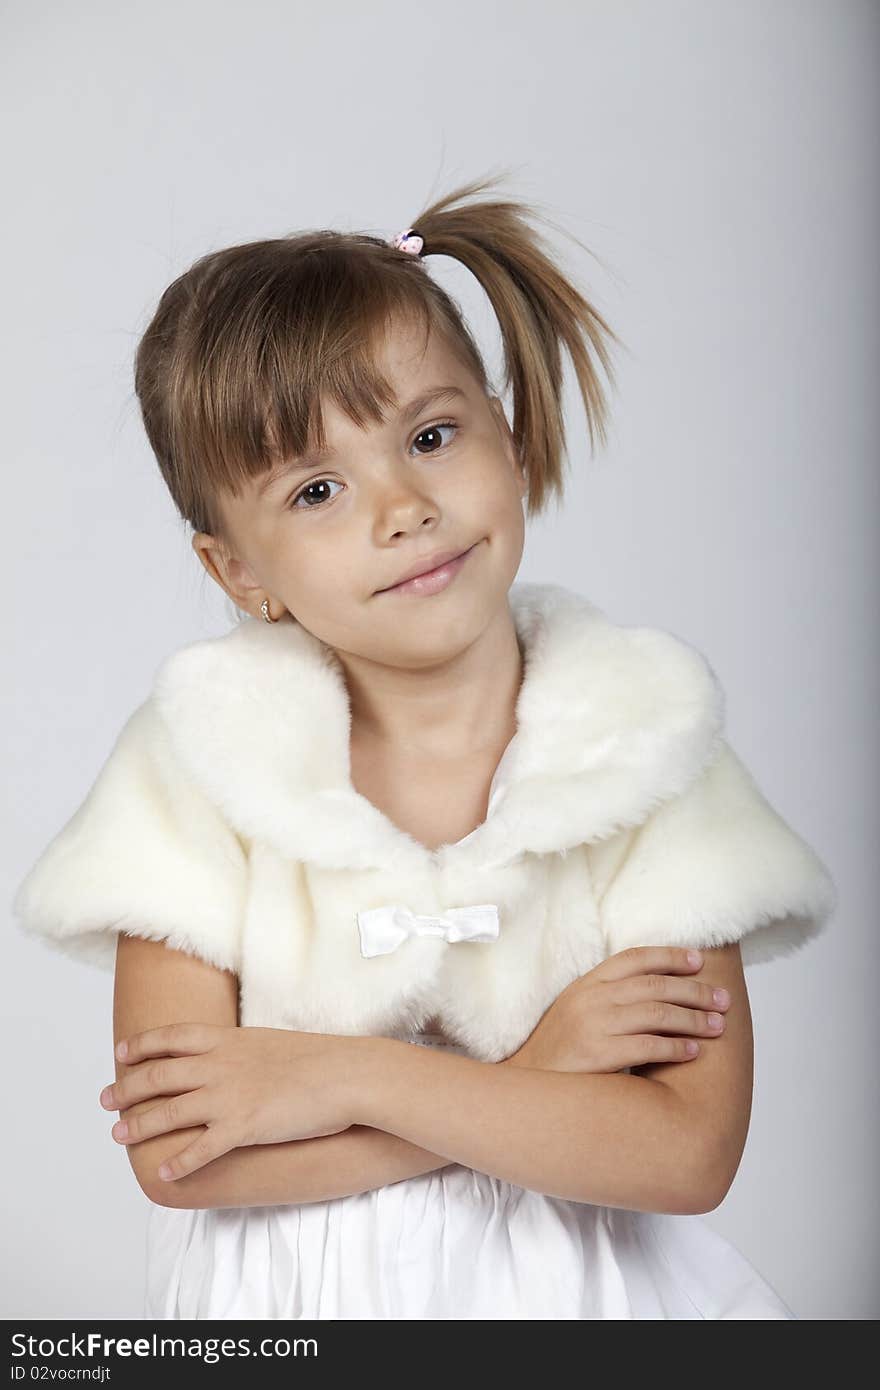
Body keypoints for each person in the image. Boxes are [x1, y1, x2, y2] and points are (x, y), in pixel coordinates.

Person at [12, 172, 837, 1320]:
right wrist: (531, 1083)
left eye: (432, 434)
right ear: (237, 572)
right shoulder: (194, 762)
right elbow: (183, 1155)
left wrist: (333, 1076)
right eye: (315, 490)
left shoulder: (645, 741)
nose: (400, 507)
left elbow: (684, 1155)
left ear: (504, 427)